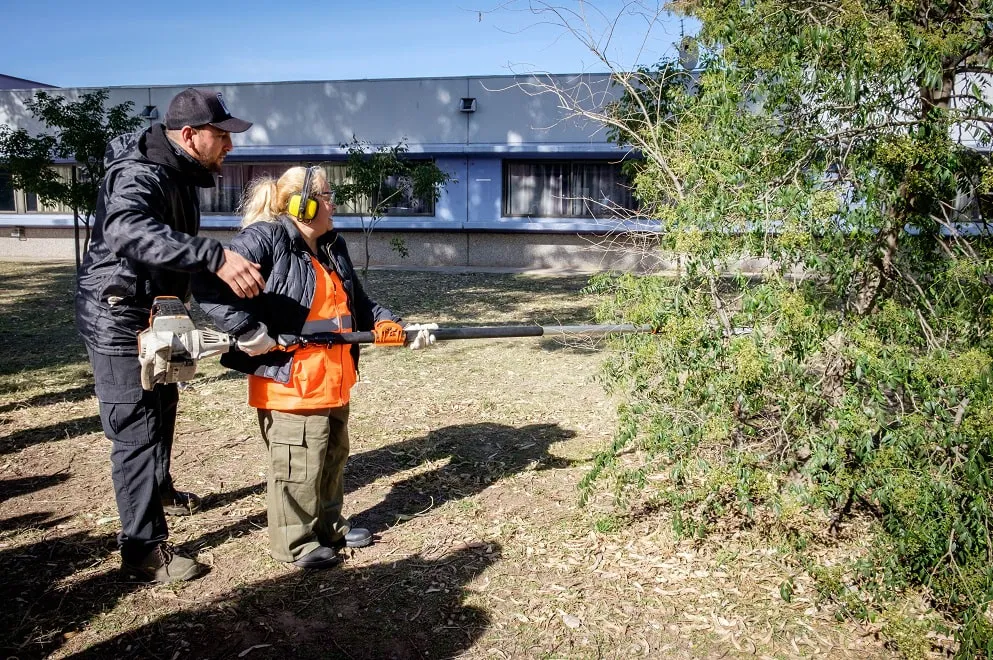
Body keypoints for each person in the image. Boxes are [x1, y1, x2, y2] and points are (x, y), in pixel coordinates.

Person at [193, 165, 435, 570]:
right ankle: (295, 543)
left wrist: (385, 322)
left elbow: (358, 302)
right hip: (291, 383)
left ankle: (328, 527)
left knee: (332, 457)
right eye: (325, 195)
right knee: (297, 465)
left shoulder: (331, 245)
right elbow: (205, 281)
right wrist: (247, 329)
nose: (333, 203)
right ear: (300, 206)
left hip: (333, 379)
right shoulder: (265, 239)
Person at [75, 88, 265, 583]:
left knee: (163, 404)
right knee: (135, 427)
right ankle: (142, 550)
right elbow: (125, 229)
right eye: (221, 136)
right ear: (189, 135)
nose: (230, 146)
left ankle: (159, 490)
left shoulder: (180, 176)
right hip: (118, 314)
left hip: (163, 314)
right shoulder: (138, 173)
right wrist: (214, 255)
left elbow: (175, 255)